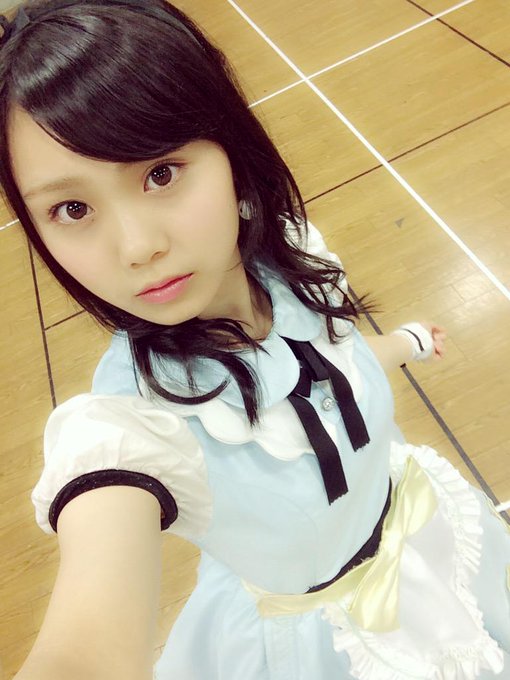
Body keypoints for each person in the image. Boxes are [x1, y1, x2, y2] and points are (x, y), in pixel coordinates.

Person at [1, 1, 509, 679]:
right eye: (72, 209)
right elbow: (85, 644)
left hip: (433, 537)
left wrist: (409, 342)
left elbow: (328, 379)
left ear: (231, 154)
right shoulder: (131, 421)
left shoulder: (289, 267)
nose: (137, 247)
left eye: (160, 173)